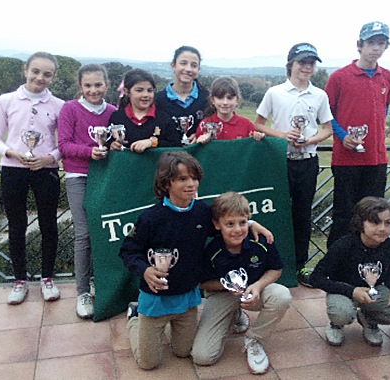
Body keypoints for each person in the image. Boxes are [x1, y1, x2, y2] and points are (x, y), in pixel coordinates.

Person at [118, 151, 273, 370]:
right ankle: (136, 319)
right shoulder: (150, 218)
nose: (191, 184)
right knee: (148, 363)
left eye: (194, 177)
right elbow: (128, 251)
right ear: (166, 182)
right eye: (182, 179)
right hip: (155, 301)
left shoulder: (202, 211)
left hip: (187, 301)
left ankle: (169, 325)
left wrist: (250, 224)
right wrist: (145, 270)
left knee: (183, 352)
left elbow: (226, 223)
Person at [0, 52, 65, 305]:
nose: (40, 78)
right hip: (13, 168)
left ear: (53, 76)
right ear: (25, 70)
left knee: (48, 225)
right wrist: (11, 152)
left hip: (45, 170)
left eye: (47, 74)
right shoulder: (7, 100)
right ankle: (19, 280)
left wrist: (49, 159)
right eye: (36, 71)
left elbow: (64, 144)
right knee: (16, 225)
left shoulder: (59, 105)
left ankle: (47, 278)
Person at [255, 42, 333, 287]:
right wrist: (281, 136)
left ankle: (299, 266)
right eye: (302, 62)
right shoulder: (275, 92)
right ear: (291, 64)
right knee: (277, 212)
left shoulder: (319, 95)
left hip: (307, 161)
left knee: (302, 216)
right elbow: (258, 124)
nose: (307, 68)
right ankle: (272, 265)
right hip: (279, 161)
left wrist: (311, 139)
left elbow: (328, 128)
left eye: (311, 63)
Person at [191, 192, 292, 374]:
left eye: (243, 222)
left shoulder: (261, 240)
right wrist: (228, 285)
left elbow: (276, 269)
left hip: (255, 292)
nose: (237, 229)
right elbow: (201, 283)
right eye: (229, 224)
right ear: (217, 224)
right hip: (222, 295)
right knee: (202, 356)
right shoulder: (212, 250)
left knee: (282, 295)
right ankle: (235, 315)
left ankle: (254, 339)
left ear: (248, 221)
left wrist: (258, 286)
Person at [324, 21, 390, 249]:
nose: (376, 48)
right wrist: (342, 135)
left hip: (376, 158)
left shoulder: (388, 78)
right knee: (344, 214)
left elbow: (385, 107)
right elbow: (325, 114)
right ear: (359, 45)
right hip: (347, 159)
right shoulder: (339, 77)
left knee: (374, 216)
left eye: (381, 43)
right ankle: (335, 265)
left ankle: (368, 263)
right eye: (371, 43)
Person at [310, 197, 390, 347]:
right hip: (343, 288)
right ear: (361, 223)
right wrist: (351, 291)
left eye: (388, 223)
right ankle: (336, 324)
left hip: (374, 290)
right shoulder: (343, 246)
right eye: (375, 222)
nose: (382, 228)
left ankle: (368, 318)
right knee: (342, 313)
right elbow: (316, 278)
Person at [57, 63, 117, 318]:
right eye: (88, 85)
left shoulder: (113, 111)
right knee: (84, 234)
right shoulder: (70, 109)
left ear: (107, 85)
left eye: (98, 85)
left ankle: (100, 282)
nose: (93, 90)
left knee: (104, 232)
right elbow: (64, 145)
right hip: (78, 177)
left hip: (105, 179)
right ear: (80, 86)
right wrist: (89, 152)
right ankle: (82, 291)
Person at [108, 69, 181, 152]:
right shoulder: (117, 117)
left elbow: (176, 145)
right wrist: (112, 145)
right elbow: (107, 143)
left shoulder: (163, 118)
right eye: (139, 90)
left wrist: (152, 142)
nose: (146, 95)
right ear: (126, 92)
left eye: (150, 90)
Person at [154, 46, 210, 144]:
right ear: (173, 65)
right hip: (167, 157)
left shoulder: (207, 98)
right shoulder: (158, 100)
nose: (188, 69)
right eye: (183, 63)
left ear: (198, 69)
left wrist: (201, 134)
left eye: (194, 65)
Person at [195, 77, 264, 143]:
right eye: (220, 98)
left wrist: (258, 137)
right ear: (213, 100)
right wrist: (199, 141)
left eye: (229, 98)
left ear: (237, 100)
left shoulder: (247, 125)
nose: (225, 102)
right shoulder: (204, 124)